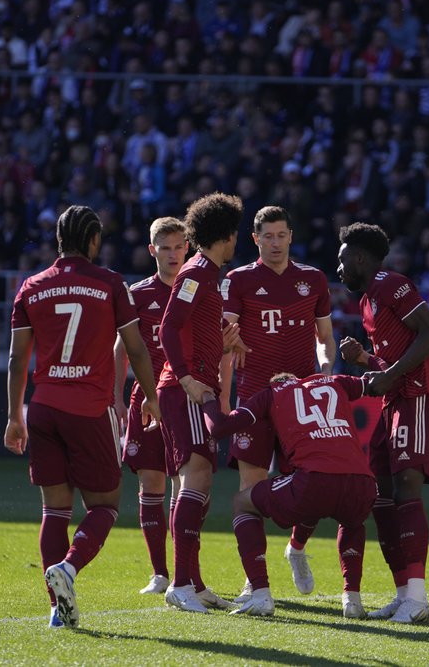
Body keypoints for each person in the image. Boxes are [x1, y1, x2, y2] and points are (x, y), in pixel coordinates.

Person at [4, 205, 160, 630]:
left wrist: (14, 415)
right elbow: (136, 348)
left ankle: (58, 609)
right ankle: (69, 569)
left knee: (54, 510)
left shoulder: (31, 287)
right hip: (90, 409)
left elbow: (17, 359)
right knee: (105, 505)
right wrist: (150, 396)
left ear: (58, 240)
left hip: (44, 407)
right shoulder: (110, 283)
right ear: (94, 241)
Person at [220, 206, 335, 602]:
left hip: (300, 399)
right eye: (267, 236)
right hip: (255, 398)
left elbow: (325, 336)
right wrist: (225, 379)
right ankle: (254, 581)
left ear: (291, 237)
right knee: (250, 489)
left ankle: (297, 548)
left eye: (281, 235)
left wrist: (325, 368)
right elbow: (225, 335)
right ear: (255, 239)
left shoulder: (313, 279)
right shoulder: (239, 280)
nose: (275, 243)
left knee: (314, 485)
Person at [336, 222, 429, 624]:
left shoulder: (391, 284)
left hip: (417, 395)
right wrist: (365, 360)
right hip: (394, 400)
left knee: (406, 487)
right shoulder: (368, 302)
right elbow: (392, 360)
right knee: (380, 495)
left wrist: (388, 374)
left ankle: (417, 597)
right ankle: (403, 594)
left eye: (342, 260)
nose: (339, 268)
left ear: (360, 258)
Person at [200, 372, 376, 618]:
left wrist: (208, 399)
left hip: (315, 481)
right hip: (363, 481)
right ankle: (352, 599)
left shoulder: (272, 393)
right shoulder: (334, 381)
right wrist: (367, 359)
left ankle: (260, 593)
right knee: (352, 521)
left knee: (242, 502)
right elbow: (381, 382)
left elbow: (219, 428)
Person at [156, 192, 247, 613]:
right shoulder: (196, 273)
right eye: (235, 233)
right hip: (185, 388)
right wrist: (188, 377)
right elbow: (168, 328)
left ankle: (192, 580)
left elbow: (191, 329)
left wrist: (221, 344)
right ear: (225, 235)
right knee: (196, 478)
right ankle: (179, 585)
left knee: (196, 483)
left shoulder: (207, 274)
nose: (236, 241)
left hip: (198, 385)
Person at [112, 216, 189, 595]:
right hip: (145, 400)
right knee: (151, 483)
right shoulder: (138, 294)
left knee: (185, 486)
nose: (173, 255)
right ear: (151, 250)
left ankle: (184, 573)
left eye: (178, 247)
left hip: (185, 400)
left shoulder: (199, 291)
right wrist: (115, 395)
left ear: (187, 248)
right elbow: (121, 349)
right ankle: (159, 573)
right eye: (165, 248)